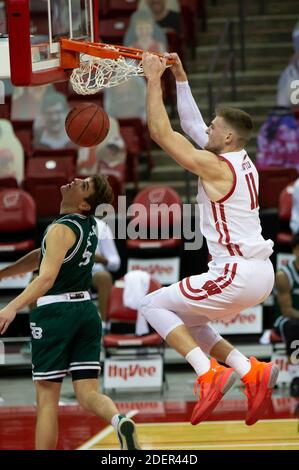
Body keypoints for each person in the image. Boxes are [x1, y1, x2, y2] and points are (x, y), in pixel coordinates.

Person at [140, 52, 279, 426]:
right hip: (258, 273)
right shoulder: (240, 158)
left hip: (236, 272)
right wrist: (180, 78)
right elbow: (191, 124)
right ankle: (250, 371)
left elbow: (161, 133)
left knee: (153, 306)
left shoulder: (215, 167)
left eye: (214, 128)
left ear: (228, 136)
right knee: (189, 320)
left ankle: (208, 373)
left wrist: (154, 80)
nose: (207, 131)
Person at [0, 175, 140, 450]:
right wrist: (5, 273)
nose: (75, 180)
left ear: (85, 203)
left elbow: (45, 277)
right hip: (86, 312)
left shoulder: (60, 229)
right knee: (88, 393)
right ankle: (119, 420)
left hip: (56, 314)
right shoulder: (88, 225)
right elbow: (43, 256)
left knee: (47, 398)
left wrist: (12, 306)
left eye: (83, 185)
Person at [275, 233, 299, 397]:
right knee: (295, 327)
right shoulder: (283, 275)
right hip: (286, 319)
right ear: (295, 250)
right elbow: (287, 310)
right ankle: (296, 376)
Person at [92, 217, 121, 332]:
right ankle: (38, 332)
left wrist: (102, 260)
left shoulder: (100, 226)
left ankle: (103, 327)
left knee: (104, 277)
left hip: (92, 273)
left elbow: (116, 263)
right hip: (67, 272)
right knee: (35, 279)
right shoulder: (57, 225)